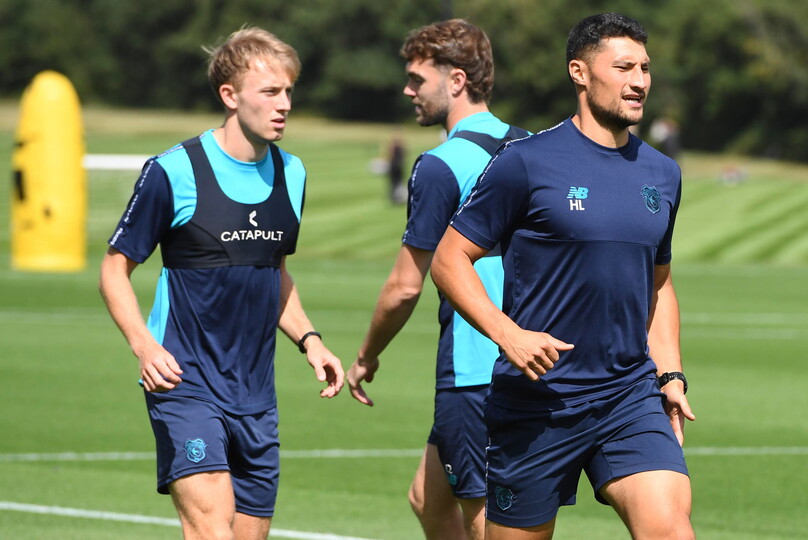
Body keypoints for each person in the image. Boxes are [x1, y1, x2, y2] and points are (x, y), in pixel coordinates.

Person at [431, 13, 695, 540]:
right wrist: (508, 334)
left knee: (670, 530)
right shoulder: (525, 162)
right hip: (537, 403)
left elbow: (659, 283)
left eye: (644, 68)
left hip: (628, 396)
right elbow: (448, 260)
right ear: (579, 72)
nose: (639, 81)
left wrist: (670, 374)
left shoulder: (663, 173)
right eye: (623, 67)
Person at [98, 26, 344, 540]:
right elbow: (114, 268)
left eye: (289, 91)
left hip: (256, 396)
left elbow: (273, 272)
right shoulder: (174, 171)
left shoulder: (292, 173)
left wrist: (310, 340)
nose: (285, 105)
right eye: (270, 92)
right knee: (212, 529)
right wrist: (144, 346)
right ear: (230, 96)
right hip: (184, 385)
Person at [345, 19, 527, 540]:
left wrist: (366, 356)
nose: (408, 90)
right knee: (427, 498)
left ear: (456, 80)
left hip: (475, 367)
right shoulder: (532, 146)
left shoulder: (441, 165)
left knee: (487, 520)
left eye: (417, 79)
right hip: (528, 355)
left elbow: (405, 286)